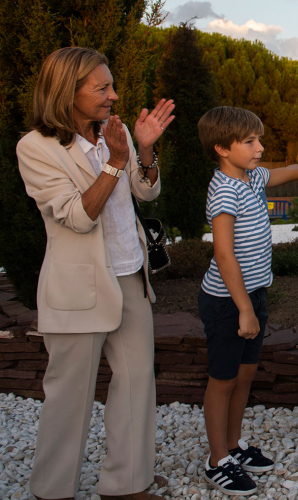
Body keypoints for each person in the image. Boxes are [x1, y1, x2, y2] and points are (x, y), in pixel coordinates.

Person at [17, 47, 174, 500]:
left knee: (136, 385)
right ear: (68, 92)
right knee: (69, 399)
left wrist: (142, 151)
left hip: (130, 277)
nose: (113, 95)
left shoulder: (113, 134)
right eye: (101, 87)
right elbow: (77, 216)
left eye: (111, 85)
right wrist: (113, 162)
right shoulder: (36, 148)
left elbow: (144, 193)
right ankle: (53, 490)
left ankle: (126, 484)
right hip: (79, 292)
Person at [196, 106, 298, 495]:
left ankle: (232, 445)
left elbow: (283, 173)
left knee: (244, 375)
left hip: (254, 294)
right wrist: (244, 308)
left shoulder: (250, 177)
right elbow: (224, 254)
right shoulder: (225, 189)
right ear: (222, 149)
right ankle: (216, 460)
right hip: (228, 302)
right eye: (250, 142)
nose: (260, 147)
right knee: (222, 381)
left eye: (259, 139)